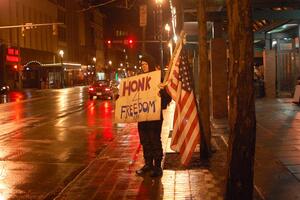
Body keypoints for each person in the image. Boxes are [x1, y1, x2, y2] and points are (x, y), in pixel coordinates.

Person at [135, 54, 172, 177]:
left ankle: (157, 166)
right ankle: (148, 164)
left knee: (154, 139)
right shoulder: (139, 79)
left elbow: (167, 99)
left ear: (150, 64)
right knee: (145, 140)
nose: (143, 66)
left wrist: (162, 93)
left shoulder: (158, 79)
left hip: (154, 117)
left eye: (145, 64)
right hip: (142, 116)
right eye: (142, 64)